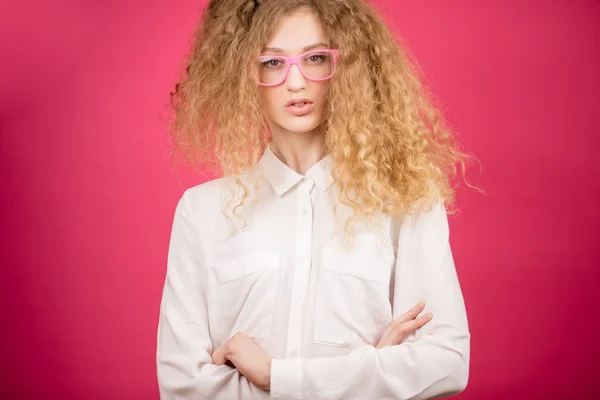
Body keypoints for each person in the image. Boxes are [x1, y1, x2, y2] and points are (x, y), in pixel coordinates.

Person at [156, 0, 479, 399]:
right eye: (273, 63)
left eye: (316, 58)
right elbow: (182, 387)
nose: (296, 82)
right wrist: (369, 372)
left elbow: (445, 363)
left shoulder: (407, 202)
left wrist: (274, 376)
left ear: (348, 68)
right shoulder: (201, 211)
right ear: (243, 75)